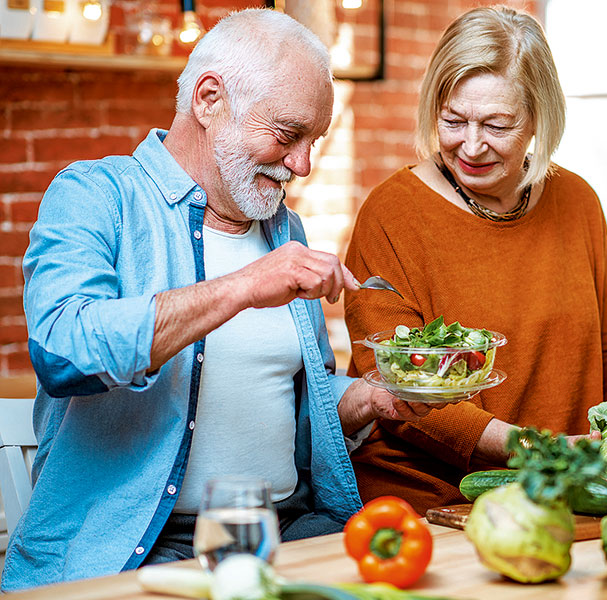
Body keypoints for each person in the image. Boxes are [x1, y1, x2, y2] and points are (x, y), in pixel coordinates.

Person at [1, 9, 431, 592]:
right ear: (209, 100)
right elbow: (63, 350)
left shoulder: (285, 231)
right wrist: (244, 287)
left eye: (314, 142)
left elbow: (286, 401)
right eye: (287, 134)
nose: (302, 165)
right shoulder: (96, 194)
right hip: (142, 547)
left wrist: (370, 399)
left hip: (291, 530)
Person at [343, 6, 607, 515]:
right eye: (453, 120)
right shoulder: (392, 214)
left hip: (562, 494)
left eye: (497, 124)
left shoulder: (578, 202)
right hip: (434, 503)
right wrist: (542, 450)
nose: (470, 145)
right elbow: (398, 391)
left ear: (539, 117)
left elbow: (605, 352)